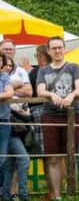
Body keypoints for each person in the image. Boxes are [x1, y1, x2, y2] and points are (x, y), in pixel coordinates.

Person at [36, 36, 79, 201]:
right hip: (50, 114)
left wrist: (71, 95)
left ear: (64, 49)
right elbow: (40, 90)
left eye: (60, 47)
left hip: (72, 114)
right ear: (49, 51)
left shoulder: (73, 67)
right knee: (53, 156)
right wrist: (52, 95)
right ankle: (56, 195)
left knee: (70, 155)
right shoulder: (43, 70)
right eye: (54, 48)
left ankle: (70, 192)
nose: (57, 51)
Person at [2, 56, 30, 201]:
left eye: (9, 65)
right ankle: (16, 195)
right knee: (11, 162)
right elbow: (11, 98)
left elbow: (28, 91)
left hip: (13, 126)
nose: (7, 67)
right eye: (4, 65)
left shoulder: (6, 79)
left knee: (15, 161)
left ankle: (13, 196)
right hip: (7, 123)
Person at [0, 54, 15, 201]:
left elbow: (10, 93)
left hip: (3, 122)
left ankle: (3, 192)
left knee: (2, 158)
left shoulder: (4, 77)